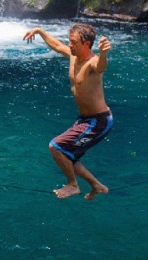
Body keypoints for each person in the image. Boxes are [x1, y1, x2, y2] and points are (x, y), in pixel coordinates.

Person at [23, 23, 113, 200]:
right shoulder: (73, 55)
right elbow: (57, 46)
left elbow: (101, 66)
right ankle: (97, 186)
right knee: (68, 157)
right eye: (69, 42)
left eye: (73, 42)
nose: (70, 45)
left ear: (86, 44)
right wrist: (40, 31)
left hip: (99, 121)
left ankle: (73, 185)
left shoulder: (93, 61)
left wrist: (103, 53)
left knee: (56, 146)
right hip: (85, 119)